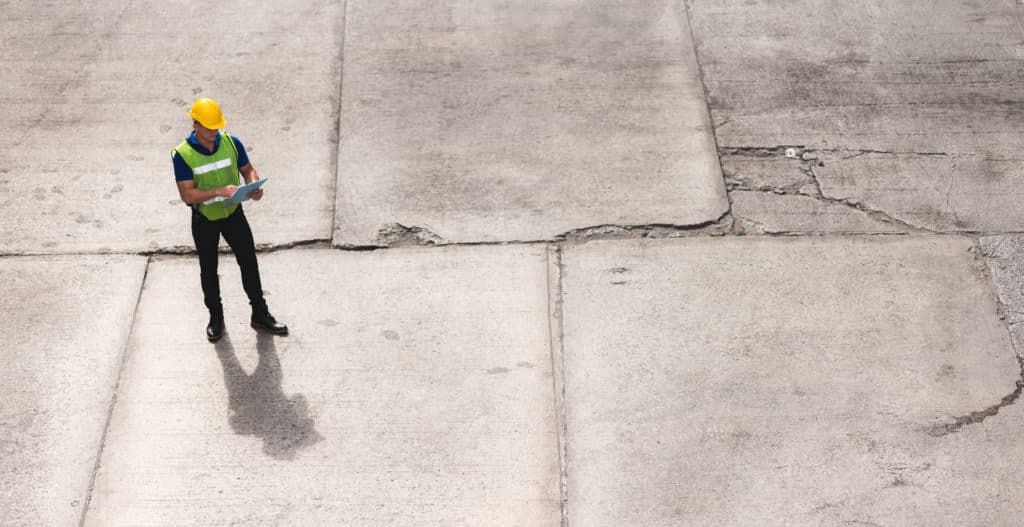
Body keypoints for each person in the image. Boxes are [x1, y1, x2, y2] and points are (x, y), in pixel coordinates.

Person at [172, 97, 288, 341]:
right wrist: (217, 191)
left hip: (233, 214)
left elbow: (247, 169)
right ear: (195, 125)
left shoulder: (231, 143)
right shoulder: (182, 154)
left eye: (216, 127)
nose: (214, 132)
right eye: (208, 128)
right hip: (204, 220)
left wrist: (253, 186)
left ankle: (260, 313)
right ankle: (216, 317)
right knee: (209, 270)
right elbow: (186, 194)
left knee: (248, 262)